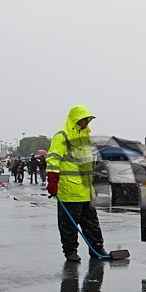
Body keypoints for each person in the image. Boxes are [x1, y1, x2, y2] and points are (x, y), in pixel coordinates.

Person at [46, 105, 106, 262]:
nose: (87, 122)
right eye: (85, 119)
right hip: (69, 190)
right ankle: (70, 251)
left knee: (92, 223)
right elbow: (53, 160)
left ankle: (97, 249)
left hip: (86, 191)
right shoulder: (62, 136)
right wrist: (52, 181)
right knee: (68, 226)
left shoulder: (85, 138)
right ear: (76, 120)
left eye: (88, 120)